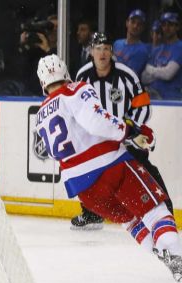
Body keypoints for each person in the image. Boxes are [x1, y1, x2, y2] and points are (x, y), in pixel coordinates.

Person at [35, 54, 182, 281]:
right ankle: (178, 257)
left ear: (42, 82)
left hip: (84, 190)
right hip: (111, 168)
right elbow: (96, 121)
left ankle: (167, 258)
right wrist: (130, 131)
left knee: (130, 220)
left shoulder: (41, 114)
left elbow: (56, 151)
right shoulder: (75, 90)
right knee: (154, 210)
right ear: (65, 73)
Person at [71, 33, 171, 230]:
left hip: (126, 139)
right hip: (98, 142)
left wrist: (129, 129)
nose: (102, 53)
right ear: (91, 52)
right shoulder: (82, 76)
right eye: (98, 48)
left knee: (146, 172)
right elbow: (77, 109)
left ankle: (166, 210)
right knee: (87, 175)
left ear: (112, 52)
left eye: (106, 48)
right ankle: (91, 213)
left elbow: (144, 107)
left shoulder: (126, 75)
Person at [142, 12, 182, 100]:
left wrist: (151, 70)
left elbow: (168, 74)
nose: (166, 28)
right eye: (164, 24)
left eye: (170, 24)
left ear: (177, 27)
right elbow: (144, 77)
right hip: (152, 95)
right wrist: (159, 73)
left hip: (172, 99)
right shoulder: (157, 49)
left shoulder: (179, 47)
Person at [113, 9, 151, 77]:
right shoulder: (117, 43)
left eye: (139, 24)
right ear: (127, 23)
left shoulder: (143, 50)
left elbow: (130, 74)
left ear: (143, 28)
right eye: (133, 22)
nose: (135, 26)